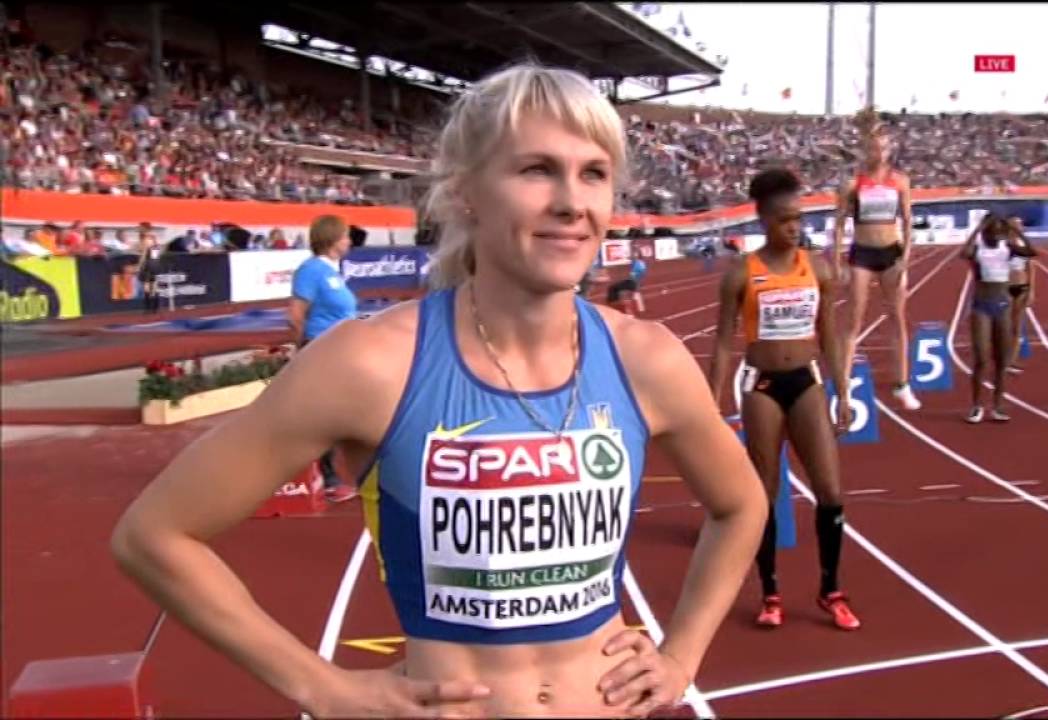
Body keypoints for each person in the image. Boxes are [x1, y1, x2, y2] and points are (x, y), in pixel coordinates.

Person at [111, 62, 766, 719]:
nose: (572, 201)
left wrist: (680, 656)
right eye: (537, 169)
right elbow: (154, 535)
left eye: (593, 172)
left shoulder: (648, 359)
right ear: (465, 194)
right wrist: (322, 686)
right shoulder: (371, 364)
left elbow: (741, 506)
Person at [708, 167, 859, 631]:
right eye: (784, 220)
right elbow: (721, 343)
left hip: (806, 380)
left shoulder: (820, 269)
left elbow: (831, 336)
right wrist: (712, 405)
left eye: (798, 218)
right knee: (764, 494)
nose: (795, 227)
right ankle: (770, 592)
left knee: (831, 491)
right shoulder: (741, 273)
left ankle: (830, 588)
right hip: (762, 386)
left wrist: (843, 391)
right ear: (764, 222)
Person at [833, 125, 921, 411]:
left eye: (884, 148)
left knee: (897, 317)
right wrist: (837, 262)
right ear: (865, 150)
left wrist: (905, 258)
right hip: (862, 253)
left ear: (890, 150)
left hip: (892, 253)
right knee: (853, 320)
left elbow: (908, 222)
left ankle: (902, 384)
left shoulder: (900, 181)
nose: (879, 153)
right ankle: (843, 389)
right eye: (874, 148)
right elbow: (838, 226)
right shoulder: (852, 184)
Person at [287, 214, 360, 503]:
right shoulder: (312, 270)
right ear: (331, 240)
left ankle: (343, 471)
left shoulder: (332, 271)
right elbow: (296, 313)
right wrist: (301, 350)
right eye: (345, 236)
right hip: (320, 348)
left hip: (340, 351)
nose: (350, 241)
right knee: (325, 414)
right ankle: (328, 479)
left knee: (343, 411)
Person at [962, 214, 1036, 422]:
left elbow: (1031, 252)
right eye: (991, 231)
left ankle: (998, 405)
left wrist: (1017, 231)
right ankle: (976, 406)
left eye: (998, 231)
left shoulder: (1008, 248)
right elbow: (964, 253)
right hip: (981, 307)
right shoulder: (978, 249)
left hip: (1002, 306)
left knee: (1001, 360)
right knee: (981, 359)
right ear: (985, 231)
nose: (995, 235)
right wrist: (977, 229)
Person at [1004, 216, 1034, 374]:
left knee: (1016, 327)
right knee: (1005, 326)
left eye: (1020, 225)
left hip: (1022, 287)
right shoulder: (1001, 244)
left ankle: (1011, 361)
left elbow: (1031, 268)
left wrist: (1032, 290)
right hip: (1005, 287)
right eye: (1015, 225)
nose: (1019, 227)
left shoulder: (1024, 244)